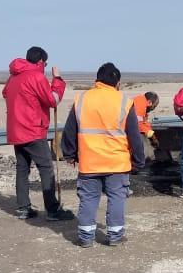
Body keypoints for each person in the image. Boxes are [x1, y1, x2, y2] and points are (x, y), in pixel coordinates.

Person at [61, 63, 145, 247]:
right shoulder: (124, 101)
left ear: (97, 80)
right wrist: (138, 160)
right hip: (117, 163)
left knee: (88, 199)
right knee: (116, 198)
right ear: (118, 82)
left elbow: (70, 130)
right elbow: (134, 135)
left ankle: (85, 238)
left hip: (89, 162)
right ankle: (115, 237)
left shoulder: (82, 99)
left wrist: (70, 154)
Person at [3, 46, 74, 221]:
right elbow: (52, 100)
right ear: (41, 61)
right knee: (46, 168)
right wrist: (57, 80)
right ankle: (52, 210)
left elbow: (5, 93)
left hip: (16, 130)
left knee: (22, 168)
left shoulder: (13, 77)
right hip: (33, 129)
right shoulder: (36, 76)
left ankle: (24, 208)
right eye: (45, 63)